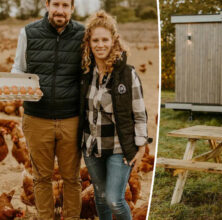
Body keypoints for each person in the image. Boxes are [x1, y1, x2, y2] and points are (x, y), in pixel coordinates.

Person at [11, 0, 84, 219]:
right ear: (47, 5)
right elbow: (18, 67)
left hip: (71, 118)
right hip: (37, 117)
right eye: (56, 4)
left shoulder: (83, 34)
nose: (60, 10)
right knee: (41, 178)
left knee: (72, 178)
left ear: (72, 7)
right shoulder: (29, 32)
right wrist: (20, 86)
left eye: (65, 5)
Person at [77, 10, 149, 220]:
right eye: (95, 40)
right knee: (99, 196)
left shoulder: (127, 74)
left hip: (119, 147)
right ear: (89, 43)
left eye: (105, 40)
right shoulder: (86, 73)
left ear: (114, 41)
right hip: (92, 146)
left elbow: (140, 113)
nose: (100, 44)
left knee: (115, 199)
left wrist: (141, 145)